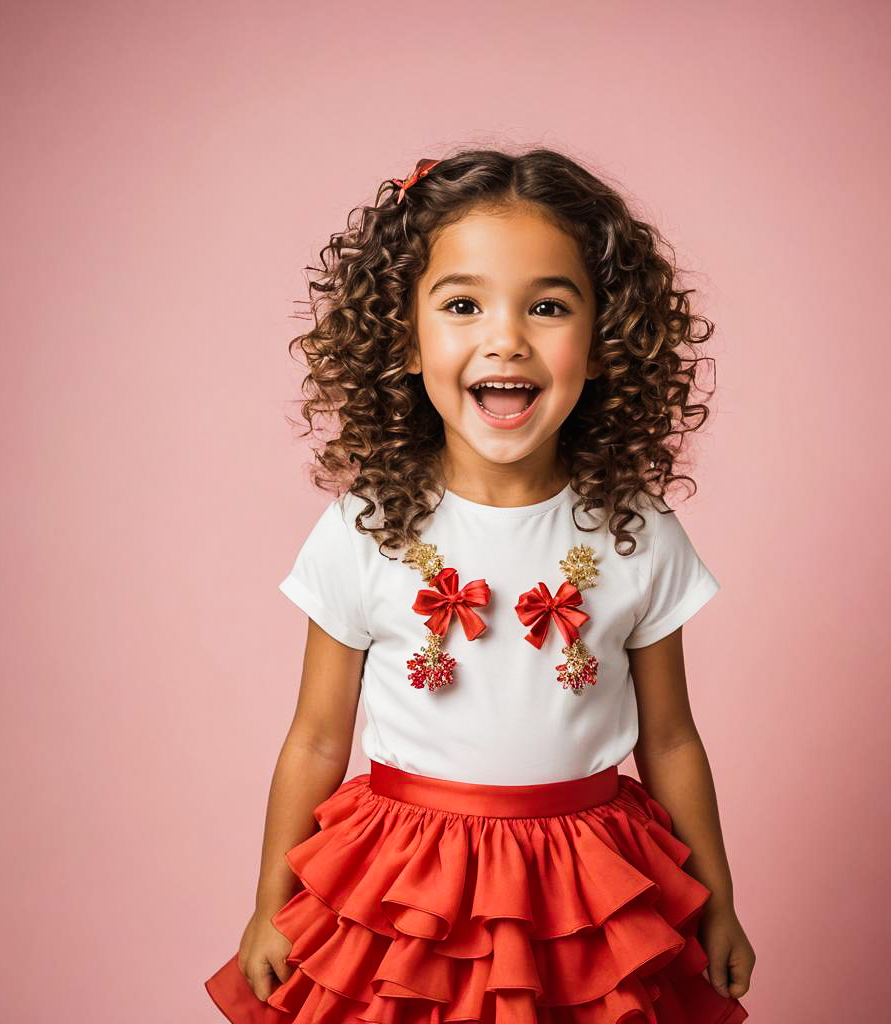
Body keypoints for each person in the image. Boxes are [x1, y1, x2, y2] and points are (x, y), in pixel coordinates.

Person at [203, 147, 755, 1023]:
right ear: (405, 339)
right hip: (405, 882)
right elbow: (315, 741)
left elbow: (674, 740)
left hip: (587, 888)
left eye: (547, 305)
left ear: (606, 339)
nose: (506, 337)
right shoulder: (364, 528)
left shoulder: (635, 529)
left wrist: (718, 898)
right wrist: (269, 903)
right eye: (463, 305)